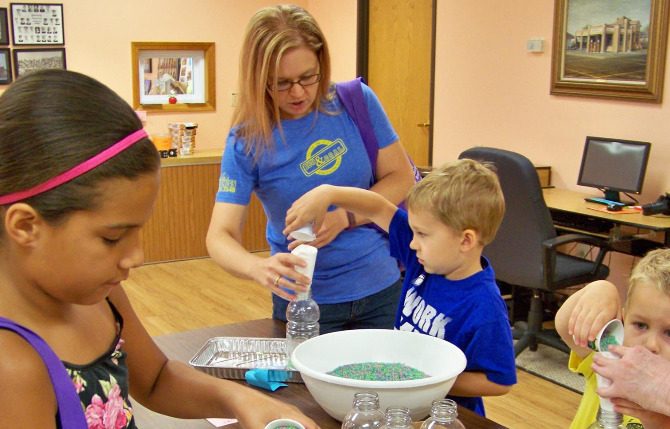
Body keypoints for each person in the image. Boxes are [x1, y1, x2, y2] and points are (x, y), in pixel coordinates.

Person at [0, 69, 318, 429]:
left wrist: (242, 399)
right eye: (112, 237)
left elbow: (156, 379)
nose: (136, 256)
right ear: (26, 226)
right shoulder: (11, 366)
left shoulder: (102, 296)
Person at [206, 4, 416, 334]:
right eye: (282, 83)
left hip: (381, 288)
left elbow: (401, 178)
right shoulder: (247, 139)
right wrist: (258, 268)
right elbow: (219, 236)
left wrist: (344, 216)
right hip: (304, 300)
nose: (299, 92)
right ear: (259, 80)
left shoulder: (356, 101)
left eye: (308, 77)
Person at [284, 159, 517, 416]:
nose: (413, 244)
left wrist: (427, 381)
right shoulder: (426, 261)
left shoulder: (484, 306)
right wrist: (328, 192)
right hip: (399, 409)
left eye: (422, 235)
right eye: (413, 233)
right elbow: (376, 207)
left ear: (466, 240)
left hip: (440, 417)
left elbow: (499, 382)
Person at [555, 248, 670, 428]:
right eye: (640, 325)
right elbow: (564, 325)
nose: (651, 345)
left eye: (669, 333)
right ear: (624, 319)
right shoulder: (609, 360)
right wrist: (599, 289)